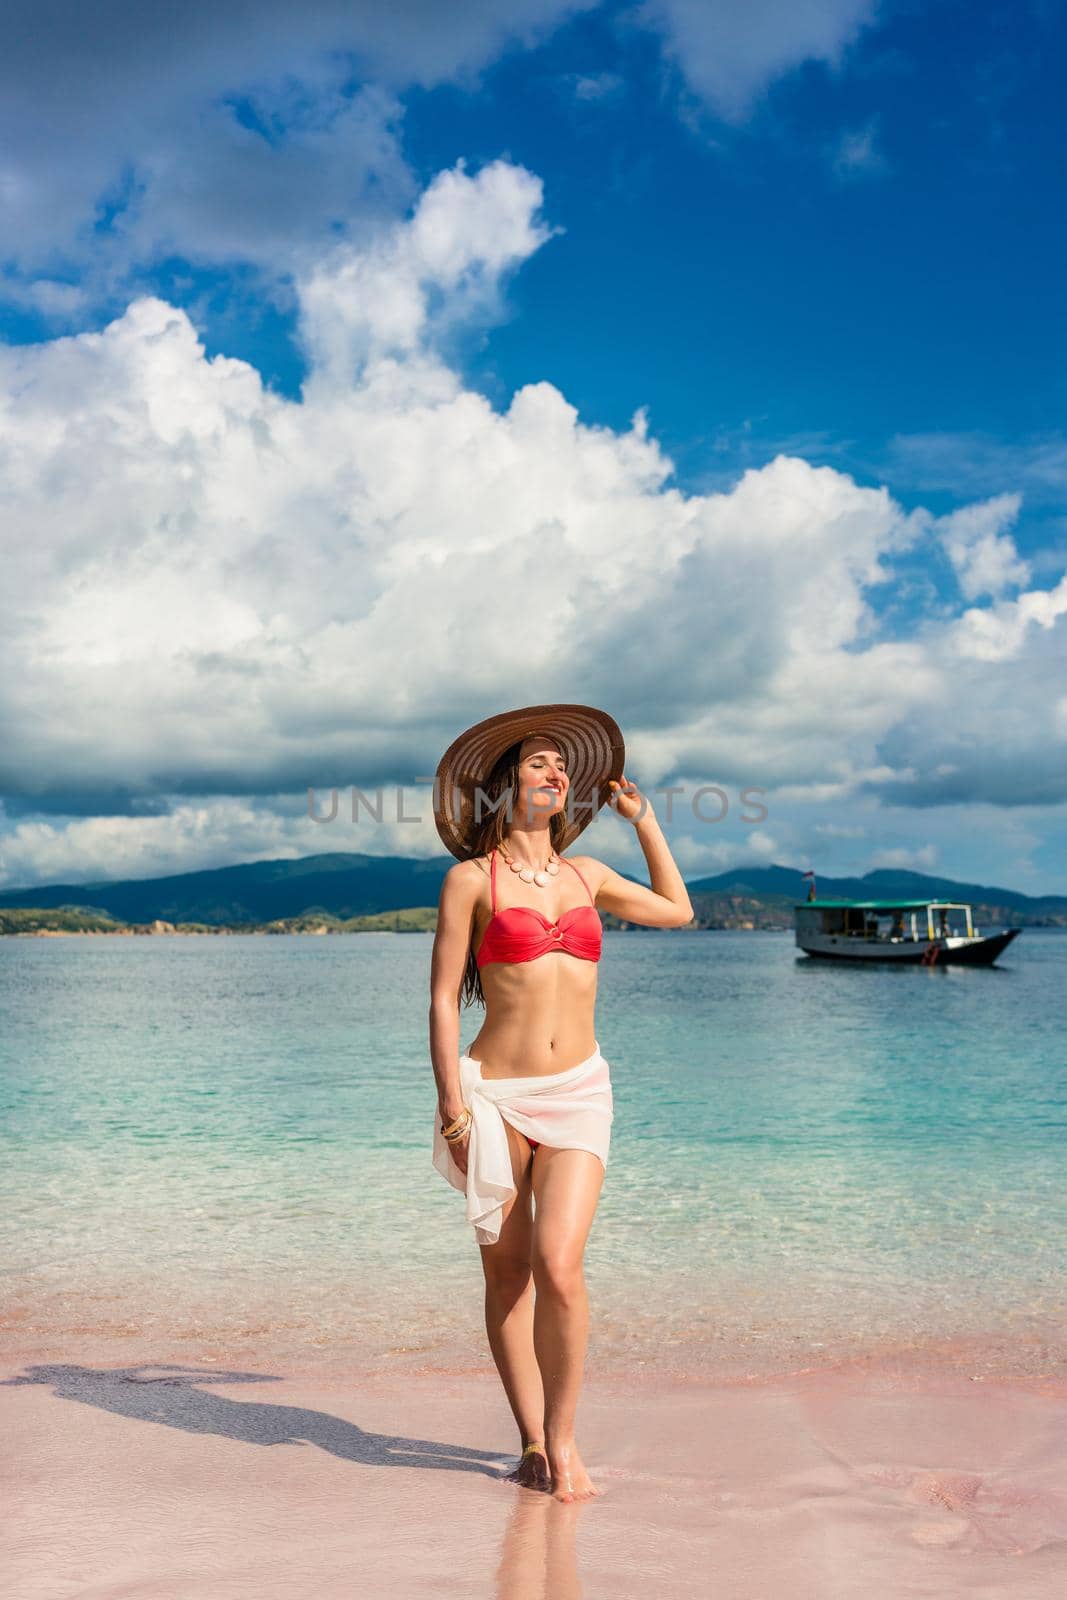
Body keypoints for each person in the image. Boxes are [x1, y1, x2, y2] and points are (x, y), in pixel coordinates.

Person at [428, 704, 693, 1502]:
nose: (556, 774)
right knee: (508, 1277)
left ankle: (568, 1440)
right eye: (539, 764)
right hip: (494, 1095)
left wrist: (645, 824)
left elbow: (677, 912)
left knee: (560, 1268)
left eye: (560, 766)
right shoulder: (471, 880)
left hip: (579, 1091)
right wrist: (452, 1106)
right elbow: (444, 1000)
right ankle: (532, 1441)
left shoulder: (588, 876)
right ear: (508, 782)